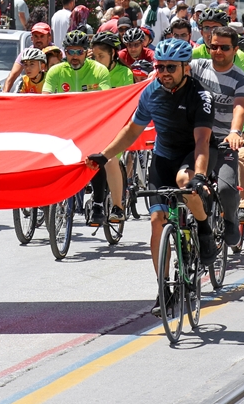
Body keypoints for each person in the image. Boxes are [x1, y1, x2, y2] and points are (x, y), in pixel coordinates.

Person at [86, 37, 217, 311]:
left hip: (193, 153)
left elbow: (203, 140)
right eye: (160, 67)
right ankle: (163, 289)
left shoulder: (200, 96)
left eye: (171, 67)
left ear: (185, 68)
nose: (164, 73)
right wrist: (105, 154)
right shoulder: (151, 92)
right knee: (157, 219)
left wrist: (200, 176)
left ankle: (204, 228)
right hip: (163, 155)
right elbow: (132, 131)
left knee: (185, 183)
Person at [189, 26, 244, 237]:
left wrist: (235, 131)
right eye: (213, 46)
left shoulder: (241, 79)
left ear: (235, 50)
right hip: (196, 140)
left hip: (224, 142)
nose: (217, 51)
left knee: (226, 189)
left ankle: (230, 220)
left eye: (224, 48)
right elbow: (174, 72)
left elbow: (240, 108)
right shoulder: (197, 67)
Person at [2, 23, 54, 91]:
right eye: (36, 36)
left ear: (49, 38)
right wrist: (4, 95)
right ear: (32, 38)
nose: (38, 40)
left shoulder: (56, 53)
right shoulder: (26, 53)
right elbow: (12, 76)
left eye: (42, 36)